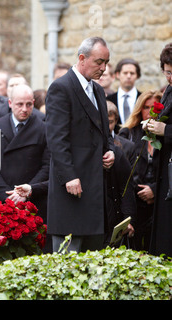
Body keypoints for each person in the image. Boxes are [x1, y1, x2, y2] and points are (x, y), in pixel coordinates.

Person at [45, 37, 115, 253]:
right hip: (71, 189)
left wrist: (110, 151)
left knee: (93, 266)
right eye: (99, 62)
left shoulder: (98, 91)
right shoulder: (61, 87)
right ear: (82, 58)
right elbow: (56, 139)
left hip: (95, 189)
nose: (103, 68)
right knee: (67, 265)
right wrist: (68, 176)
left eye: (106, 63)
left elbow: (105, 133)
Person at [0, 84, 50, 249]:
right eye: (19, 104)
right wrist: (8, 196)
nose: (24, 109)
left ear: (34, 103)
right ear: (10, 103)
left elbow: (47, 166)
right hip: (2, 200)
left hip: (32, 200)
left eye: (29, 104)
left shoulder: (43, 129)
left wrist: (27, 192)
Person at [119, 90, 163, 251]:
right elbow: (123, 172)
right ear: (139, 109)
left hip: (159, 201)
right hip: (134, 202)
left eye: (154, 108)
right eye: (146, 107)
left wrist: (154, 190)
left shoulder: (165, 136)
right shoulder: (128, 134)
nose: (150, 112)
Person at [147, 43, 172, 258]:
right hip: (165, 170)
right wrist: (152, 127)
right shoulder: (169, 91)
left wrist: (166, 130)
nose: (170, 77)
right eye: (168, 72)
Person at [104, 102, 136, 248]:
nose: (107, 126)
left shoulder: (120, 149)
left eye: (110, 122)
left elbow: (126, 185)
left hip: (114, 208)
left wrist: (127, 219)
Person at [107, 58, 142, 129]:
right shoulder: (108, 100)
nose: (128, 76)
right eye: (125, 73)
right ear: (117, 74)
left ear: (137, 76)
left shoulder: (142, 99)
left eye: (132, 73)